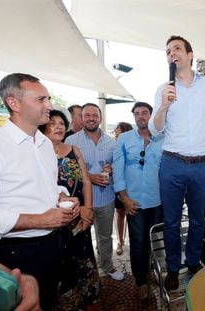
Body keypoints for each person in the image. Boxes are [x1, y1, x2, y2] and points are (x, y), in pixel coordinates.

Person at [0, 73, 80, 310]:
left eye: (49, 98)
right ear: (14, 103)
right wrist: (41, 220)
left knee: (48, 301)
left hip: (53, 244)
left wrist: (62, 196)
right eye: (41, 99)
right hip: (15, 254)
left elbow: (45, 184)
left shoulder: (44, 144)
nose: (50, 105)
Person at [149, 35, 205, 290]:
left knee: (199, 219)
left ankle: (193, 261)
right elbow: (155, 130)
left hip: (202, 165)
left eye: (177, 48)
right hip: (172, 164)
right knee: (171, 221)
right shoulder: (163, 89)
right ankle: (173, 267)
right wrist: (164, 107)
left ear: (190, 55)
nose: (171, 53)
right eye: (167, 51)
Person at [38, 110, 100, 310]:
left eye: (61, 123)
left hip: (79, 216)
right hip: (53, 221)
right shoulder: (37, 152)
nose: (59, 127)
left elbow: (86, 182)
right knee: (61, 263)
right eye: (52, 123)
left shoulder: (74, 150)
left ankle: (88, 296)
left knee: (83, 256)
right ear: (42, 127)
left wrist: (87, 208)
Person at [66, 103, 124, 280]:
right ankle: (84, 272)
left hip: (106, 197)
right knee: (80, 237)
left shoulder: (111, 142)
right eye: (87, 115)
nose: (91, 118)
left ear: (100, 118)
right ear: (81, 118)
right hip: (82, 201)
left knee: (105, 236)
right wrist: (89, 178)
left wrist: (111, 169)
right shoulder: (71, 141)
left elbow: (117, 166)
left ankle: (107, 266)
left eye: (95, 115)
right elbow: (68, 172)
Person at [113, 102, 163, 301]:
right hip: (133, 202)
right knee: (138, 242)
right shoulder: (124, 139)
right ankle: (141, 281)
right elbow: (117, 170)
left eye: (145, 113)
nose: (141, 116)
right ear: (133, 117)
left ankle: (150, 271)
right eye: (137, 114)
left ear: (151, 116)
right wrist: (124, 199)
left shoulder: (163, 139)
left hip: (157, 201)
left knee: (152, 241)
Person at [113, 121, 133, 256]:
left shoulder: (133, 145)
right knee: (120, 214)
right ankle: (120, 241)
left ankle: (134, 241)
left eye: (117, 130)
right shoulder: (113, 145)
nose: (115, 132)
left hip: (132, 187)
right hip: (118, 186)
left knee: (132, 214)